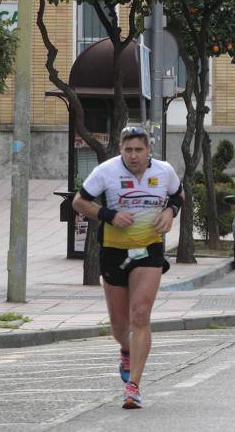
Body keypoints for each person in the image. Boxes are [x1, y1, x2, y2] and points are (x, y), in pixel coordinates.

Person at [71, 125, 184, 409]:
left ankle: (133, 386)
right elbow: (79, 202)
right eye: (128, 150)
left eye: (139, 150)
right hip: (113, 251)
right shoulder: (106, 172)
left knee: (141, 314)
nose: (133, 156)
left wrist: (171, 211)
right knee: (120, 325)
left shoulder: (164, 171)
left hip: (149, 250)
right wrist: (108, 214)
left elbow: (178, 194)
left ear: (149, 151)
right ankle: (125, 348)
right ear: (120, 149)